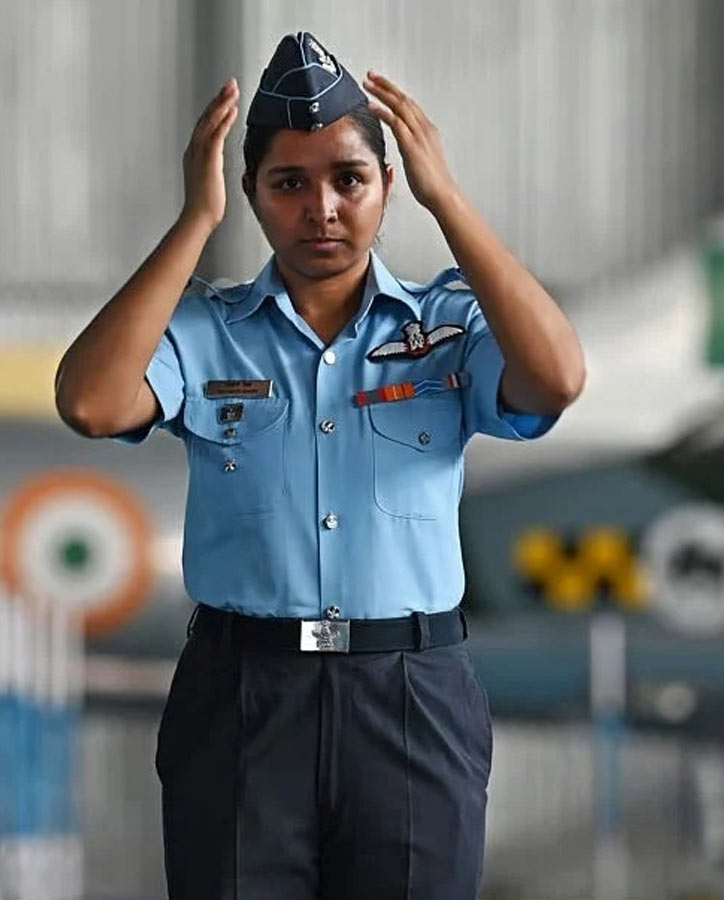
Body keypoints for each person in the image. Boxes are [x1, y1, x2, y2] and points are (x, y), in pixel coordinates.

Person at [55, 31, 585, 900]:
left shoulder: (447, 327)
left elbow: (556, 377)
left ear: (388, 186)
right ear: (252, 196)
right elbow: (90, 402)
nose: (323, 208)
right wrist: (194, 223)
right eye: (289, 184)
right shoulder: (204, 329)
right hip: (242, 698)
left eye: (350, 179)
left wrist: (449, 200)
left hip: (411, 697)